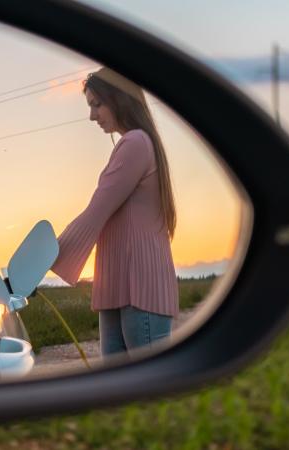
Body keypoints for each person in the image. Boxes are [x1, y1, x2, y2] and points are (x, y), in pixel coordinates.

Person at [51, 67, 178, 358]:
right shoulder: (138, 143)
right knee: (121, 395)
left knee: (145, 394)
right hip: (118, 287)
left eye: (97, 105)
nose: (92, 116)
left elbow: (98, 209)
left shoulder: (135, 143)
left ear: (119, 99)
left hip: (139, 290)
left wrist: (43, 259)